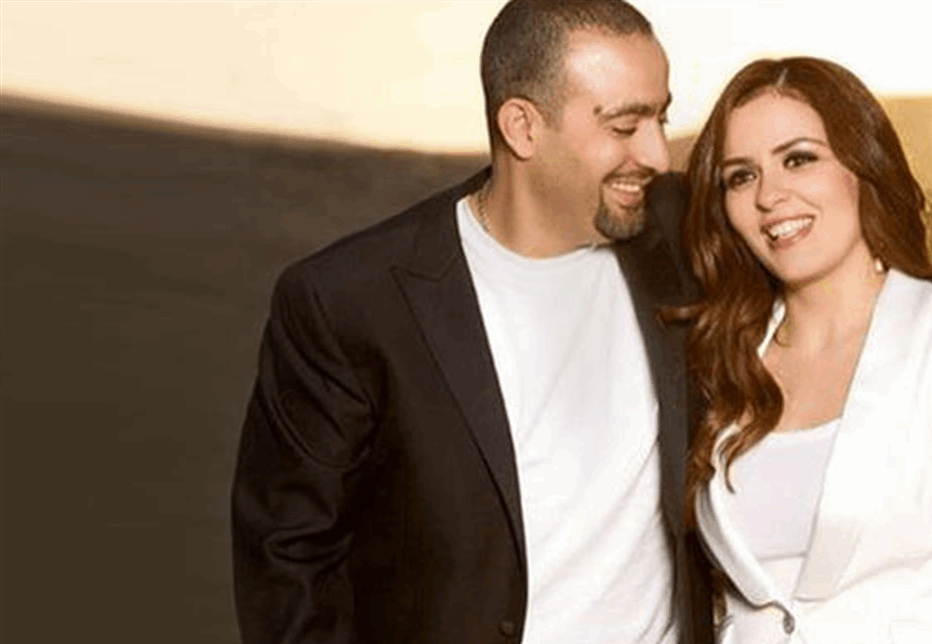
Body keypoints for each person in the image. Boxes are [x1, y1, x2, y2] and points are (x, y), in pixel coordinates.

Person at [229, 1, 713, 642]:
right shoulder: (350, 300)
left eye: (662, 118)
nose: (655, 154)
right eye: (625, 125)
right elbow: (288, 560)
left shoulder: (684, 233)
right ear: (522, 127)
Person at [676, 57, 932, 643]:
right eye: (741, 176)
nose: (769, 195)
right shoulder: (721, 365)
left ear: (863, 166)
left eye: (799, 159)